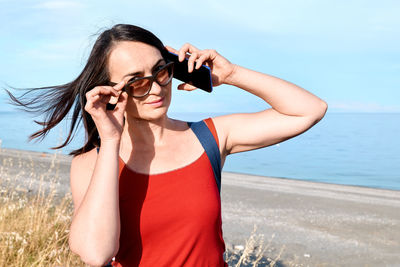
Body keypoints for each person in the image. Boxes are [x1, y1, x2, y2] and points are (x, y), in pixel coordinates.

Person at [8, 24, 327, 266]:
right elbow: (96, 253)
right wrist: (110, 140)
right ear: (109, 91)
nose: (156, 87)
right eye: (136, 80)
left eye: (161, 70)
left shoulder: (209, 138)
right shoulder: (92, 162)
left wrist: (231, 74)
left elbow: (310, 110)